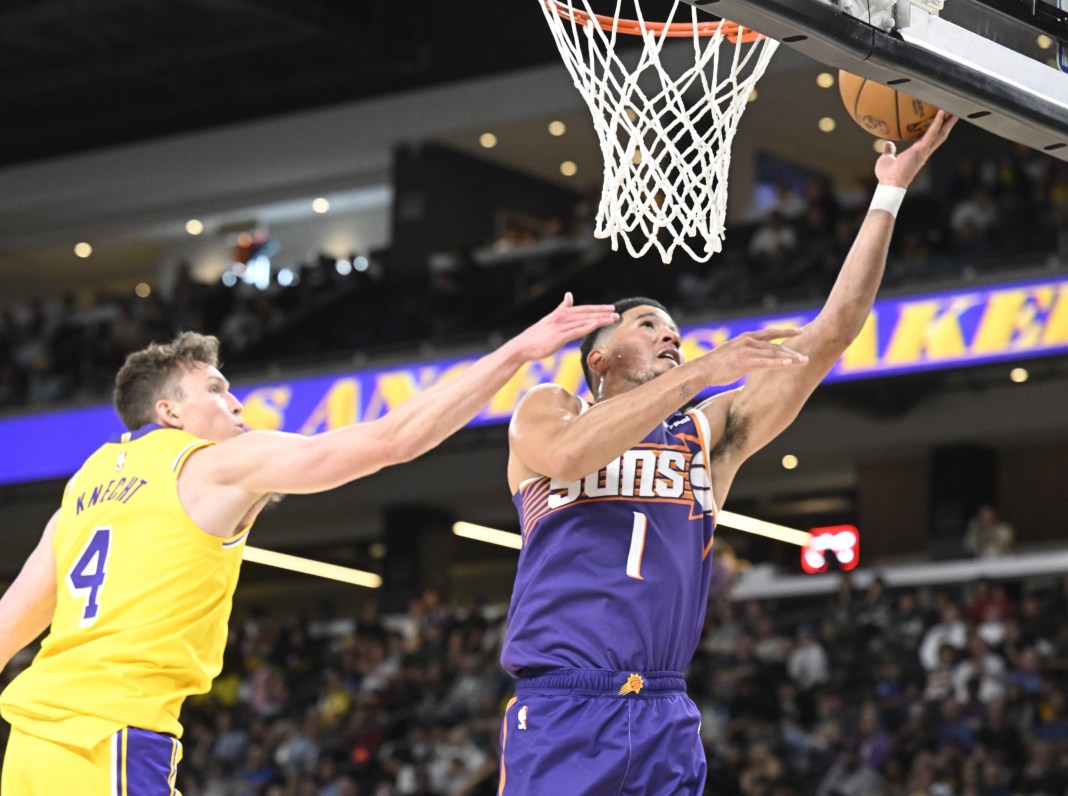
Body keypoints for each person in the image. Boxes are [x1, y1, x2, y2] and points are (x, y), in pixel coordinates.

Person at [496, 111, 957, 794]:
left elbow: (833, 331)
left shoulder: (706, 437)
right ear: (599, 358)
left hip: (664, 709)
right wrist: (703, 371)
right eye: (649, 325)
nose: (670, 338)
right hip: (564, 705)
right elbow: (566, 458)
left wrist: (889, 193)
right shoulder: (551, 408)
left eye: (675, 333)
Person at [0, 292, 619, 794]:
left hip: (32, 740)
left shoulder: (82, 493)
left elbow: (10, 625)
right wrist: (517, 353)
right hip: (108, 735)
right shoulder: (212, 463)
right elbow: (392, 439)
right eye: (214, 389)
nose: (234, 402)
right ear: (169, 413)